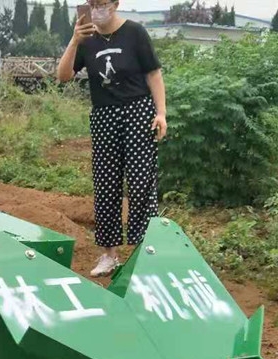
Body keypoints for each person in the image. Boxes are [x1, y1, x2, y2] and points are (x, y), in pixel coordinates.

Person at [56, 0, 167, 277]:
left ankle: (145, 251)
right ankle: (109, 254)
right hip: (104, 115)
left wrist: (161, 113)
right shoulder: (87, 39)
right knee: (106, 183)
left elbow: (153, 74)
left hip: (138, 111)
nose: (97, 8)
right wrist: (74, 40)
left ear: (116, 4)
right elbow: (63, 76)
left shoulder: (135, 33)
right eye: (92, 3)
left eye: (102, 3)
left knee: (141, 182)